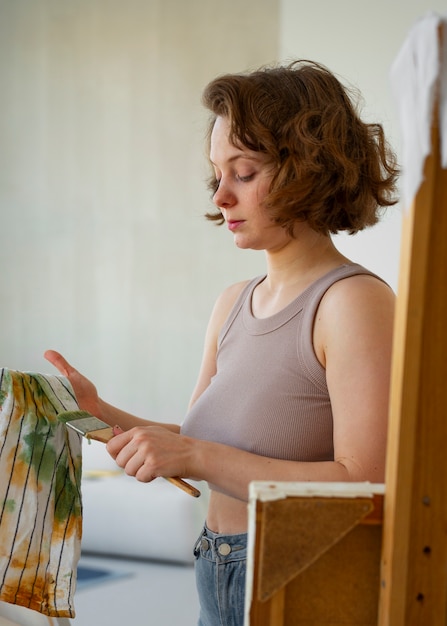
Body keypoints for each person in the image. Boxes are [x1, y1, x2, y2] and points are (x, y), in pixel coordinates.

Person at [45, 60, 399, 626]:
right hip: (218, 564)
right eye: (217, 174)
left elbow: (368, 482)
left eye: (245, 172)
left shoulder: (353, 303)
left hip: (299, 574)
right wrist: (98, 411)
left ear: (309, 169)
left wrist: (197, 455)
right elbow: (201, 439)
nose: (222, 196)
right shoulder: (233, 301)